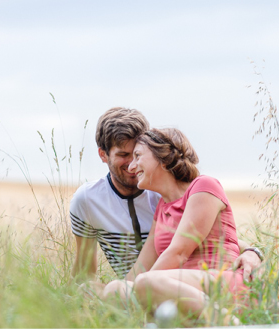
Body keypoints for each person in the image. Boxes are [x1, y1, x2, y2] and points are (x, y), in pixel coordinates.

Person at [69, 108, 262, 283]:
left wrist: (254, 252)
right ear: (103, 155)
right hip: (148, 287)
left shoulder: (165, 193)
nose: (131, 165)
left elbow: (218, 237)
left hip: (174, 284)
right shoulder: (88, 200)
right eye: (123, 155)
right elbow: (84, 271)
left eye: (136, 154)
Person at [102, 128, 259, 316]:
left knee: (146, 283)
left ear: (162, 155)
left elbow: (179, 253)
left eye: (138, 156)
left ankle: (228, 324)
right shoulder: (162, 208)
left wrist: (139, 289)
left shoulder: (204, 186)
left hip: (220, 282)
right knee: (114, 290)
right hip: (177, 288)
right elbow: (139, 271)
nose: (131, 167)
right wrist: (99, 293)